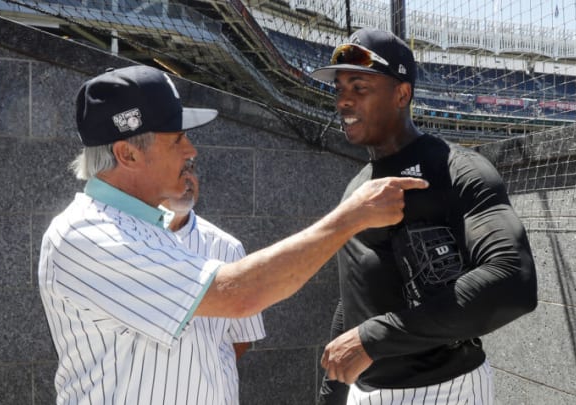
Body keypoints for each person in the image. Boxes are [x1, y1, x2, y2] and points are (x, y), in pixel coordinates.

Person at [38, 64, 428, 405]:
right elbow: (238, 294)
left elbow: (226, 340)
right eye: (176, 138)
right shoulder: (87, 232)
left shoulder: (143, 223)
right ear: (128, 154)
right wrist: (351, 217)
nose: (191, 150)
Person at [309, 28, 538, 405]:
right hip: (365, 392)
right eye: (339, 89)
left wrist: (373, 337)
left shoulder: (457, 169)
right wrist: (331, 393)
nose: (343, 101)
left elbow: (513, 278)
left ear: (402, 94)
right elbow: (356, 292)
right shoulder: (356, 188)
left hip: (445, 389)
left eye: (359, 87)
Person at [161, 163, 265, 405]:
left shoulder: (226, 247)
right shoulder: (129, 242)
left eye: (191, 169)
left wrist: (202, 370)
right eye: (177, 169)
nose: (187, 178)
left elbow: (242, 337)